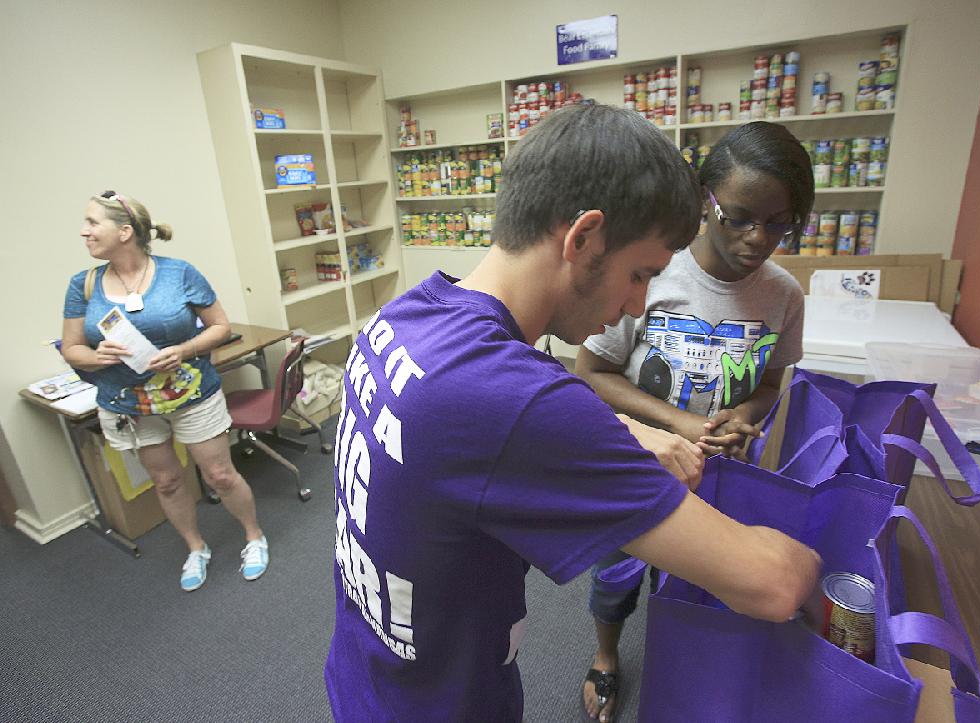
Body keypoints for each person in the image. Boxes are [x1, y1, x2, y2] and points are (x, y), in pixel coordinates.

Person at [325, 105, 821, 721]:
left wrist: (636, 430)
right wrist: (817, 555)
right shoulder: (519, 401)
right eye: (640, 274)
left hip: (368, 675)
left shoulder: (406, 314)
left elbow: (480, 428)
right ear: (582, 238)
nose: (636, 303)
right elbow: (771, 585)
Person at [576, 121, 814, 721]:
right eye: (739, 217)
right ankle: (605, 656)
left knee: (703, 581)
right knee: (616, 576)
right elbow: (592, 373)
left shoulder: (783, 296)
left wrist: (746, 415)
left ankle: (693, 666)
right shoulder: (655, 273)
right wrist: (678, 421)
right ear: (705, 200)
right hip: (641, 464)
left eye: (780, 222)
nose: (759, 237)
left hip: (725, 471)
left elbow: (768, 385)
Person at [61, 191, 269, 592]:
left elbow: (220, 327)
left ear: (125, 232)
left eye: (92, 223)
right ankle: (196, 547)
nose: (83, 231)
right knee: (167, 481)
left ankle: (253, 536)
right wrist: (96, 355)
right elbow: (71, 348)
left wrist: (186, 349)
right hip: (130, 405)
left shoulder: (179, 273)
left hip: (191, 395)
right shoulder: (83, 285)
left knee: (221, 475)